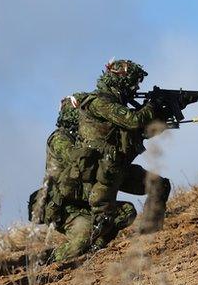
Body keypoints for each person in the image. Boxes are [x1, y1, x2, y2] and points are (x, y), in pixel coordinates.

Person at [71, 60, 173, 249]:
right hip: (102, 175)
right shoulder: (100, 102)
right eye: (132, 82)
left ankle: (148, 237)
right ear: (119, 80)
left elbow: (137, 132)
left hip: (117, 169)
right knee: (105, 223)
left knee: (159, 185)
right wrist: (152, 105)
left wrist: (163, 115)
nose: (135, 87)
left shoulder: (113, 105)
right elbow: (133, 121)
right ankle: (69, 260)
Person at [30, 92, 137, 261]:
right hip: (65, 206)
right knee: (84, 235)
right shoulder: (59, 138)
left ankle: (96, 246)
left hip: (86, 200)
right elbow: (77, 160)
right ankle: (49, 259)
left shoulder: (84, 138)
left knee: (126, 212)